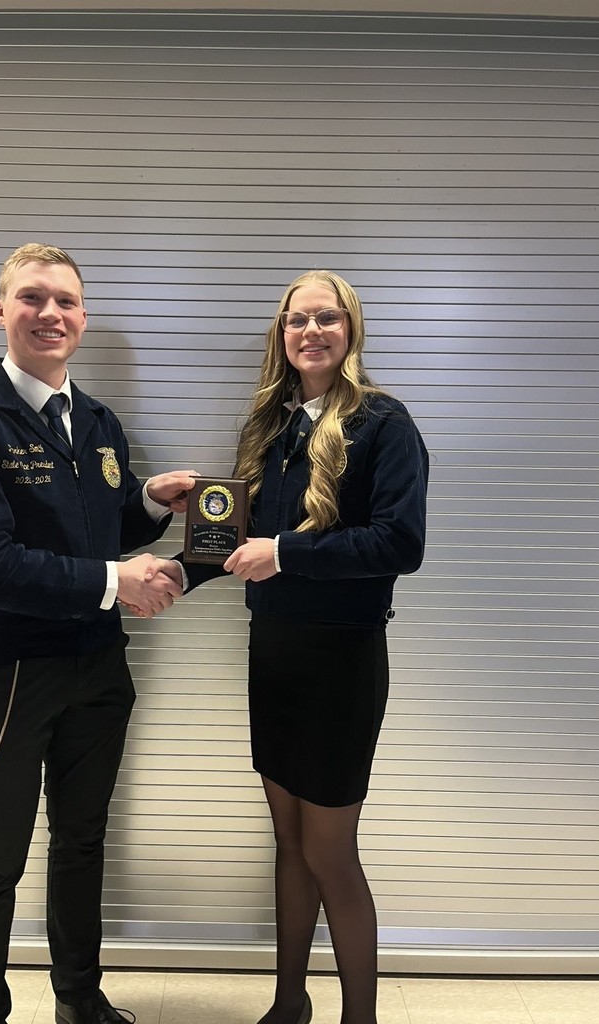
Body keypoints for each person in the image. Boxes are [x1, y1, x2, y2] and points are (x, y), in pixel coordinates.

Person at [0, 243, 197, 1024]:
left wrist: (149, 502)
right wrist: (114, 581)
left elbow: (98, 529)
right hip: (5, 673)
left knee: (81, 843)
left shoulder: (98, 422)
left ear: (84, 317)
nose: (51, 314)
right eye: (33, 298)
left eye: (66, 301)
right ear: (0, 311)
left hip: (97, 667)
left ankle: (79, 999)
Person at [162, 271, 428, 1024]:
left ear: (351, 329)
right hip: (274, 654)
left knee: (330, 853)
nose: (311, 330)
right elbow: (232, 543)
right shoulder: (272, 430)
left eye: (326, 317)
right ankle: (289, 1003)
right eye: (296, 320)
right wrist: (171, 575)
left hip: (341, 661)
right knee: (289, 843)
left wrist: (285, 553)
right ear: (281, 335)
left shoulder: (384, 424)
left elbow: (399, 543)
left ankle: (359, 1018)